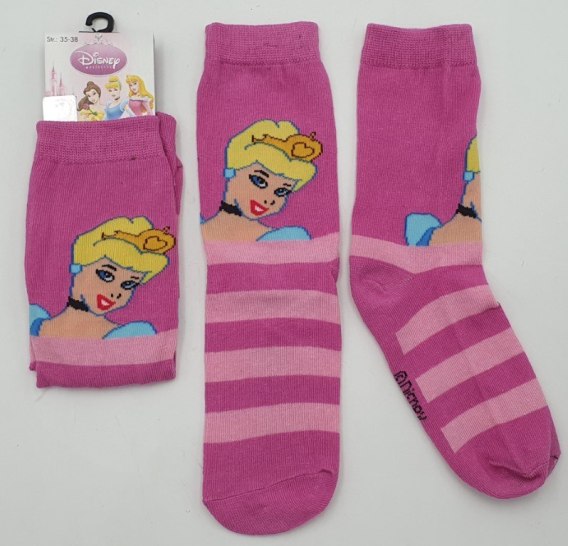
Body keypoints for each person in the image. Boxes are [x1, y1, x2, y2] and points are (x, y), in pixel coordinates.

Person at [29, 217, 175, 339]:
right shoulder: (36, 321)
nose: (115, 292)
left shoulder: (130, 338)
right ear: (78, 266)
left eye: (128, 284)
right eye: (106, 275)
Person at [201, 119, 323, 241]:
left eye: (281, 191)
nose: (269, 199)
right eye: (259, 181)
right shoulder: (195, 228)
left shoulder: (284, 240)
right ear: (232, 171)